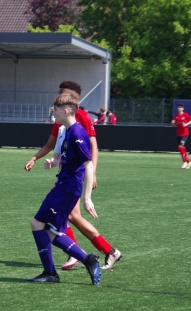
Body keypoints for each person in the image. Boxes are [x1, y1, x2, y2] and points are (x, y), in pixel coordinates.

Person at [25, 81, 122, 270]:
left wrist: (92, 174)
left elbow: (92, 146)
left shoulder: (82, 118)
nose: (59, 99)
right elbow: (53, 145)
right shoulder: (61, 120)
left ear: (73, 98)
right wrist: (35, 158)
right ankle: (105, 251)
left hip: (74, 177)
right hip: (65, 176)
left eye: (63, 94)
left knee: (68, 216)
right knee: (70, 216)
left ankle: (83, 254)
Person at [27, 93, 101, 285]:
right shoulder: (67, 131)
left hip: (67, 189)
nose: (54, 115)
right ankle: (87, 259)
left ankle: (50, 272)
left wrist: (87, 198)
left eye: (56, 111)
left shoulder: (77, 133)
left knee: (37, 224)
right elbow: (69, 160)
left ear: (66, 111)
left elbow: (88, 165)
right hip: (63, 186)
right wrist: (53, 162)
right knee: (50, 233)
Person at [171, 103, 191, 169]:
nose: (179, 108)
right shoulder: (176, 116)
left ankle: (185, 162)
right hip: (179, 133)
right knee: (182, 149)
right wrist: (172, 124)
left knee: (180, 147)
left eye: (180, 107)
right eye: (178, 107)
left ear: (183, 108)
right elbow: (174, 124)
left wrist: (186, 124)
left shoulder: (185, 115)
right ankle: (189, 162)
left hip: (185, 133)